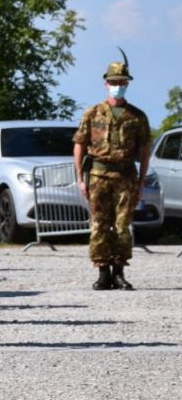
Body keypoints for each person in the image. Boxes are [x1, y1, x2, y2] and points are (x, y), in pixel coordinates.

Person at [73, 55, 152, 290]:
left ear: (127, 84)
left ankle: (118, 272)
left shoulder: (136, 117)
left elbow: (144, 151)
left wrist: (141, 182)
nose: (118, 86)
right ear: (106, 83)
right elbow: (79, 144)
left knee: (122, 226)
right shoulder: (93, 113)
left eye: (122, 82)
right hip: (98, 176)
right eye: (114, 82)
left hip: (126, 177)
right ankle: (102, 272)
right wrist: (80, 178)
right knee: (99, 225)